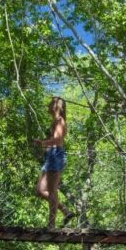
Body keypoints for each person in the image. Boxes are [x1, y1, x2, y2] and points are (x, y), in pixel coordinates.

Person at [34, 96, 74, 230]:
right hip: (51, 156)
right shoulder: (56, 121)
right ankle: (65, 210)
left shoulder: (59, 120)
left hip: (55, 155)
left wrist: (43, 142)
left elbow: (57, 139)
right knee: (40, 190)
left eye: (50, 103)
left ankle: (51, 225)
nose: (48, 105)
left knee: (51, 191)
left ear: (56, 106)